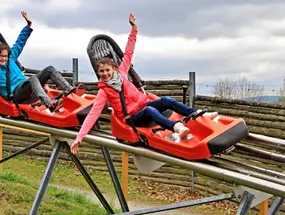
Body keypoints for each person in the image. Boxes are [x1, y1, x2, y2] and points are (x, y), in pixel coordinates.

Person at [71, 13, 218, 154]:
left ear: (113, 68)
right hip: (132, 118)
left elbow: (128, 53)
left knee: (166, 100)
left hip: (143, 105)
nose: (105, 74)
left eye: (107, 70)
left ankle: (197, 114)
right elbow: (93, 114)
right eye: (101, 72)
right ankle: (177, 127)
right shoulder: (104, 91)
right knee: (150, 111)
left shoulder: (121, 72)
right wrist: (79, 138)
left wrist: (134, 30)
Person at [0, 11, 78, 112]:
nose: (3, 59)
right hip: (16, 95)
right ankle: (49, 103)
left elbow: (19, 43)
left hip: (27, 88)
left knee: (49, 69)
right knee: (32, 79)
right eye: (1, 56)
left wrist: (28, 26)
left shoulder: (11, 59)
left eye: (5, 56)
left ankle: (69, 90)